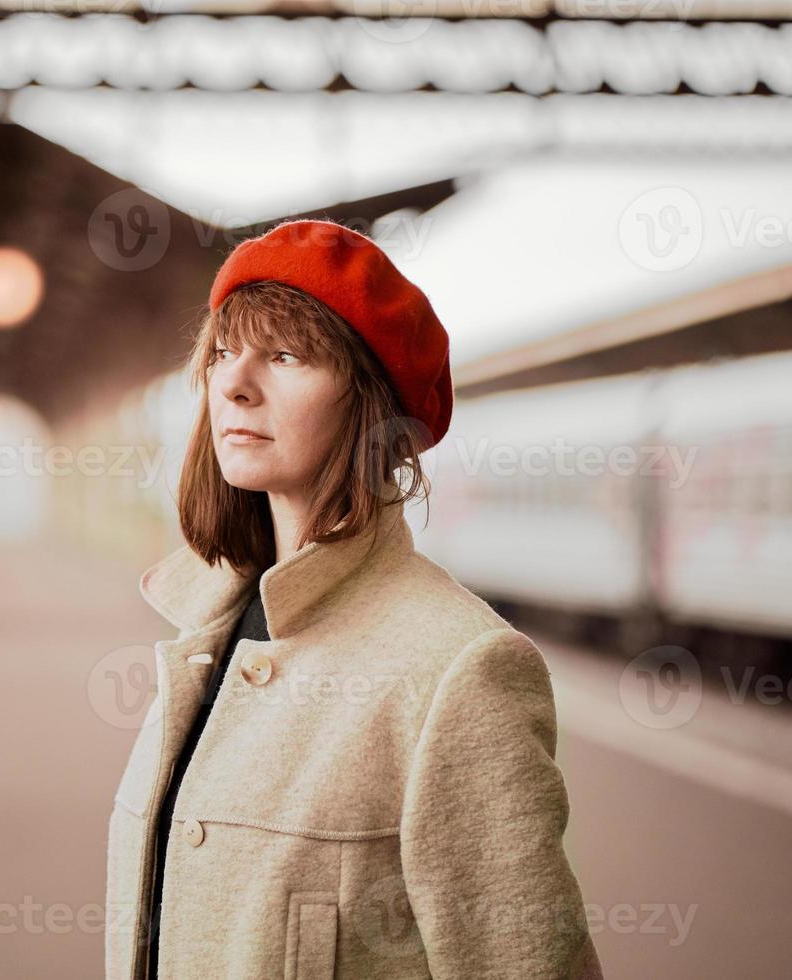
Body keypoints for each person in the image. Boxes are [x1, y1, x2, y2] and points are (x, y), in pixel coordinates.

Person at [105, 219, 604, 980]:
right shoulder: (203, 628)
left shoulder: (457, 673)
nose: (235, 383)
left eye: (283, 354)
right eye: (221, 353)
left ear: (370, 407)